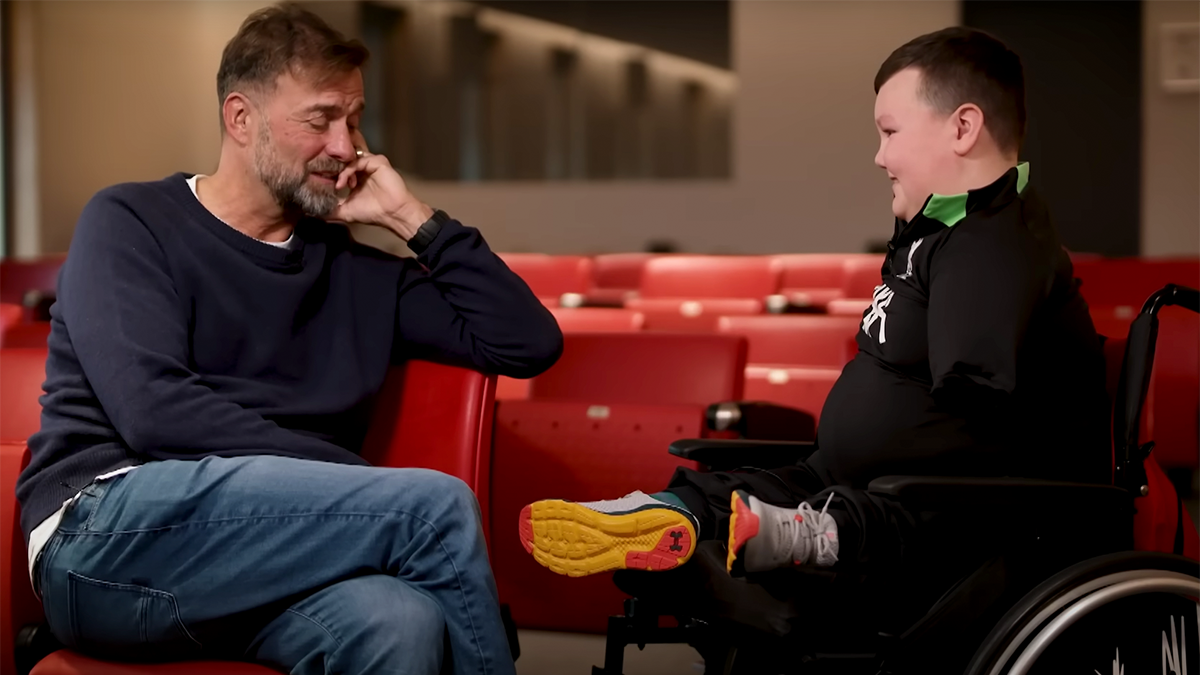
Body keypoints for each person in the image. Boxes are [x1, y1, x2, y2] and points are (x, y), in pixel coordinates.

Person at [16, 5, 561, 675]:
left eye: (355, 120)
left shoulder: (361, 274)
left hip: (271, 556)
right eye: (320, 118)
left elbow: (528, 342)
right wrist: (366, 491)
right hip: (106, 537)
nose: (345, 145)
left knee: (398, 622)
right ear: (240, 118)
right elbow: (155, 412)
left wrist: (410, 218)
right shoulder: (131, 221)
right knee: (433, 505)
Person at [521, 27, 1110, 582]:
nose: (879, 157)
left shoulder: (993, 241)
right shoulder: (943, 229)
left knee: (849, 509)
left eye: (891, 132)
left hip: (941, 509)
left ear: (962, 129)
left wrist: (861, 450)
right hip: (852, 477)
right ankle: (669, 510)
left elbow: (977, 415)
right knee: (735, 487)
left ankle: (808, 532)